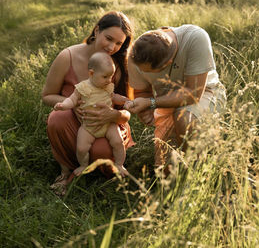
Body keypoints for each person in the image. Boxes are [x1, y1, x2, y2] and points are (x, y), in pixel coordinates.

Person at [42, 11, 135, 195]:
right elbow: (47, 96)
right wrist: (75, 104)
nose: (111, 47)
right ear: (97, 30)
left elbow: (128, 111)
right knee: (57, 118)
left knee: (101, 151)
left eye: (118, 43)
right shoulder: (67, 57)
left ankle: (104, 167)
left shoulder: (118, 65)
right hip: (75, 122)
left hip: (108, 124)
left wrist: (114, 115)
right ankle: (65, 172)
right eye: (108, 38)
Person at [126, 25, 226, 167]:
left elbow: (193, 94)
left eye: (148, 71)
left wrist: (151, 103)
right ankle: (182, 164)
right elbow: (142, 91)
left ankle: (195, 170)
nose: (141, 71)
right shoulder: (137, 53)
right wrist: (145, 111)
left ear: (168, 63)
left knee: (184, 117)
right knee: (164, 171)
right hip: (165, 103)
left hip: (206, 92)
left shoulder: (195, 38)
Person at [54, 52, 129, 177]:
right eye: (105, 77)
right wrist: (63, 105)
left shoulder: (108, 87)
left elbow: (114, 97)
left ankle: (120, 164)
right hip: (88, 126)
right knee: (82, 148)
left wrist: (125, 100)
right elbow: (72, 100)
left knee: (118, 141)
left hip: (108, 124)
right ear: (91, 73)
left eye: (111, 76)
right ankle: (83, 165)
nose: (109, 80)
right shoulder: (82, 88)